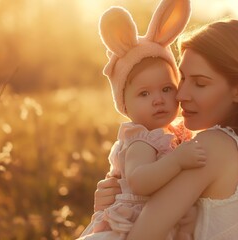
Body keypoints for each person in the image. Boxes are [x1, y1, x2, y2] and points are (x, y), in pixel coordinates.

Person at [94, 16, 238, 240]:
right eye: (182, 79)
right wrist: (121, 198)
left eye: (200, 83)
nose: (181, 95)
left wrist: (113, 214)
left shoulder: (210, 147)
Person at [78, 0, 204, 239]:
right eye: (144, 94)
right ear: (124, 104)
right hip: (131, 224)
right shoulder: (141, 140)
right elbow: (139, 181)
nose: (158, 100)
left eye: (167, 89)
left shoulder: (173, 134)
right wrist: (177, 161)